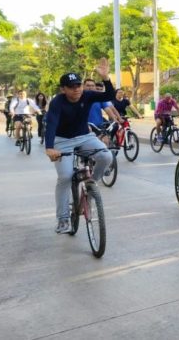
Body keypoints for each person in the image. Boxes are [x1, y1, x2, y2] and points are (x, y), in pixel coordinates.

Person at [44, 59, 114, 234]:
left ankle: (91, 187)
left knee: (106, 156)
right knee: (66, 177)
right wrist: (50, 147)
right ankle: (63, 219)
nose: (76, 89)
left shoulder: (87, 95)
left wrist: (105, 78)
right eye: (71, 86)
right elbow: (51, 124)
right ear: (63, 89)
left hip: (85, 136)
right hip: (62, 140)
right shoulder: (57, 102)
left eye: (78, 85)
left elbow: (108, 96)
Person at [84, 79, 121, 145]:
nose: (90, 87)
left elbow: (108, 109)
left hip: (98, 126)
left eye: (92, 86)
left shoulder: (99, 98)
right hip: (85, 127)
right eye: (88, 85)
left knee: (105, 142)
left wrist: (115, 119)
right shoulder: (78, 97)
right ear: (83, 86)